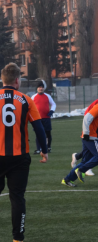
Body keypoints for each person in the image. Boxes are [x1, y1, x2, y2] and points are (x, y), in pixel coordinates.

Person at [0, 63, 48, 242]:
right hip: (19, 158)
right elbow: (39, 128)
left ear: (2, 80)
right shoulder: (26, 100)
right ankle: (17, 238)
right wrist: (44, 150)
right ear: (17, 81)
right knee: (17, 198)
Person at [61, 88, 98, 187]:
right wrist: (87, 133)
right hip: (91, 137)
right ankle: (82, 170)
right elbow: (87, 118)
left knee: (85, 161)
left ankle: (67, 179)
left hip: (92, 137)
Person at [31, 81, 56, 153]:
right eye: (39, 87)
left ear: (43, 88)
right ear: (37, 88)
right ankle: (38, 149)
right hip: (37, 119)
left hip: (46, 118)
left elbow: (53, 104)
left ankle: (48, 147)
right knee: (38, 133)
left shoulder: (48, 96)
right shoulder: (33, 97)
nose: (41, 89)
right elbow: (30, 106)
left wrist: (51, 111)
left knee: (48, 133)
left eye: (42, 87)